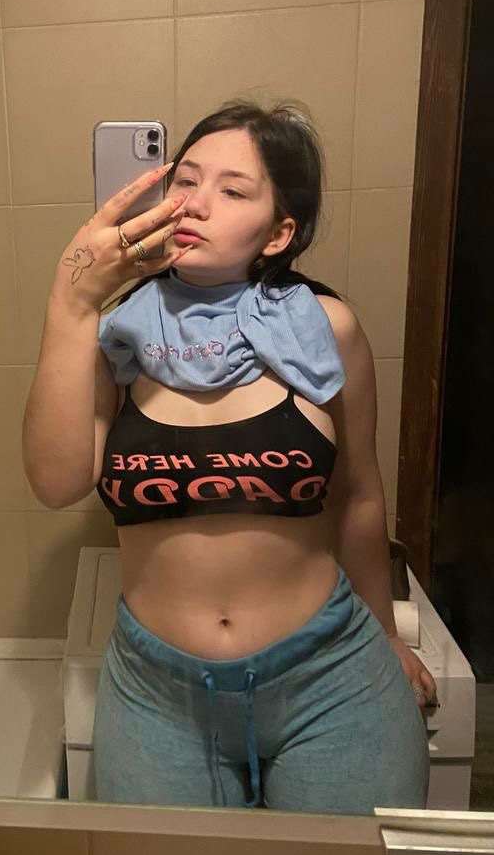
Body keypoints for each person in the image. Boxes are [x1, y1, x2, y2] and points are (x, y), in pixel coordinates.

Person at [22, 99, 437, 814]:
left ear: (278, 234)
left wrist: (387, 634)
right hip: (157, 694)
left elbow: (359, 496)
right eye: (185, 180)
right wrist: (73, 303)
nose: (195, 203)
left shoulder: (324, 329)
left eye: (233, 190)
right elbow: (57, 484)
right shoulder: (117, 337)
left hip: (331, 680)